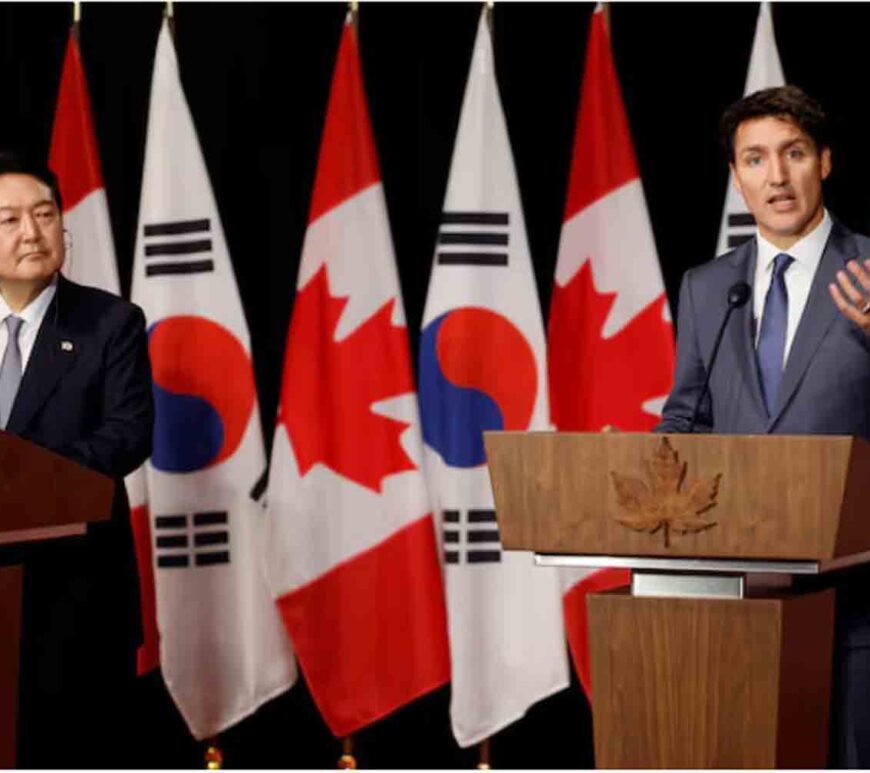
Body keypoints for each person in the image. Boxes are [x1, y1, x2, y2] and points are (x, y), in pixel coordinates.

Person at [657, 85, 870, 767]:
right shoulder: (706, 287)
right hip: (741, 606)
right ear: (735, 175)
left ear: (825, 161)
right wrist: (645, 462)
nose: (776, 177)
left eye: (793, 153)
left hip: (858, 610)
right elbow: (686, 416)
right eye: (755, 159)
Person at [0, 153, 153, 767]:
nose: (32, 233)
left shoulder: (109, 323)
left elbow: (128, 433)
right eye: (8, 221)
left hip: (75, 598)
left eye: (44, 214)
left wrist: (17, 472)